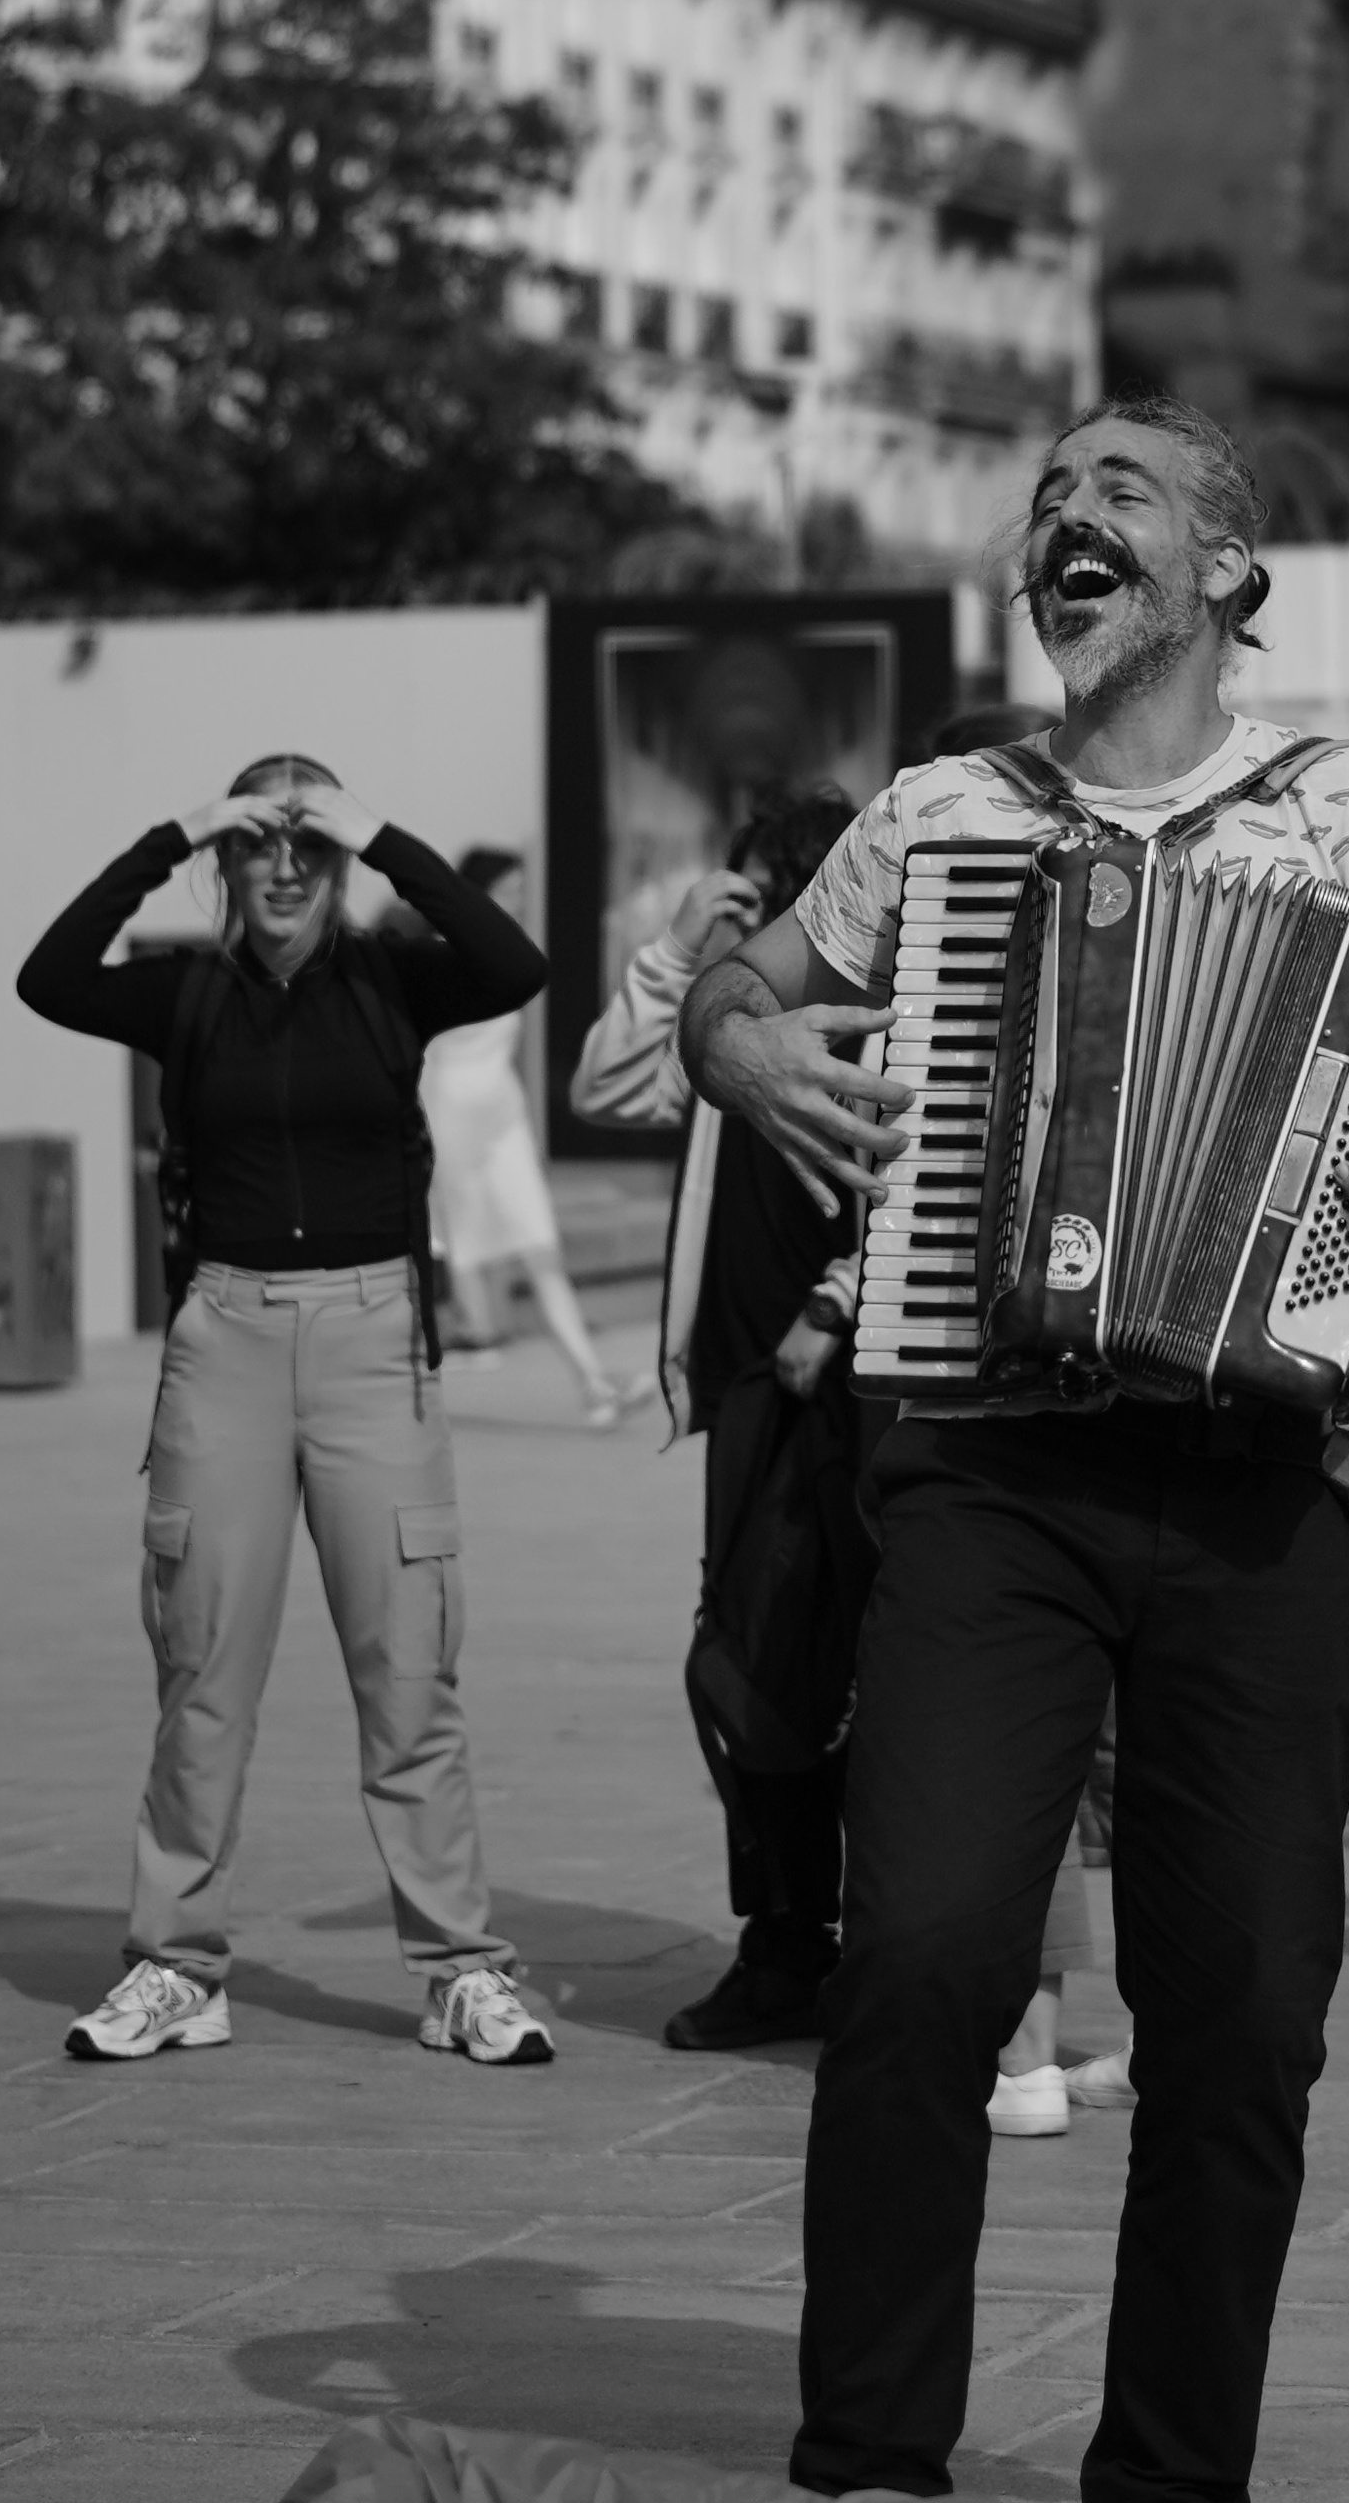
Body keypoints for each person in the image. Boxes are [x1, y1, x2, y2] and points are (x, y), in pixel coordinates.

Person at [676, 388, 1349, 2503]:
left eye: (1118, 490)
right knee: (929, 1962)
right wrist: (747, 1047)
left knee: (1241, 2021)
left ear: (1223, 574)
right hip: (975, 1463)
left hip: (1252, 1480)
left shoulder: (1344, 809)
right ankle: (870, 2454)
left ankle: (1167, 2474)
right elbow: (739, 989)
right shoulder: (940, 810)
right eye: (1049, 492)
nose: (1067, 514)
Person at [17, 757, 558, 2071]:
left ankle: (461, 1971)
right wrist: (178, 828)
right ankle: (175, 1965)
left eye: (305, 850)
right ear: (224, 864)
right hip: (226, 1342)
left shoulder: (393, 980)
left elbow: (515, 962)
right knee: (202, 1672)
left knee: (408, 1670)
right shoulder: (183, 991)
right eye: (257, 848)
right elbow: (49, 974)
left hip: (377, 1342)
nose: (281, 870)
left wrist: (372, 834)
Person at [574, 784, 866, 2052]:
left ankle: (826, 1945)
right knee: (747, 1674)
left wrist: (836, 1305)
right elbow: (604, 1082)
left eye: (770, 898)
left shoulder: (876, 1020)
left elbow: (948, 1181)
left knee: (827, 1679)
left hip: (851, 1399)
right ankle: (792, 1941)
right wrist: (681, 955)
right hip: (752, 1402)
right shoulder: (730, 1043)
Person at [427, 847, 653, 1431]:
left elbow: (512, 1054)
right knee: (449, 1254)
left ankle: (594, 1381)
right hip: (447, 1118)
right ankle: (403, 1385)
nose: (521, 899)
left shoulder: (515, 956)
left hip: (503, 1120)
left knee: (541, 1247)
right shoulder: (433, 956)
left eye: (522, 888)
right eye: (510, 888)